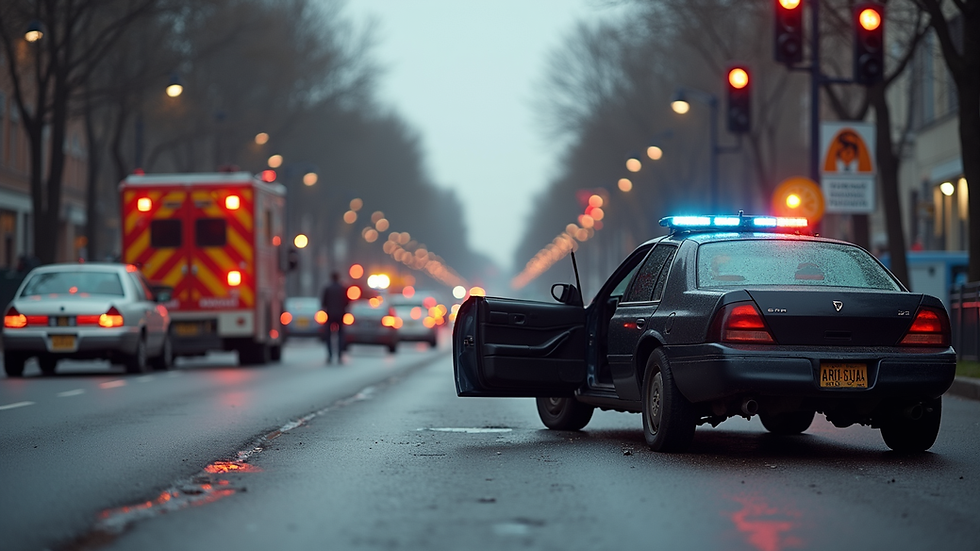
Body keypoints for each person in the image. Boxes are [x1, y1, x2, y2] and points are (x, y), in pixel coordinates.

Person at [320, 271, 350, 363]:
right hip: (340, 315)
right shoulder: (343, 288)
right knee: (340, 335)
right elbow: (347, 302)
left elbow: (323, 302)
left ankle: (330, 355)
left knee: (328, 336)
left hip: (330, 315)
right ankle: (339, 355)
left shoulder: (327, 288)